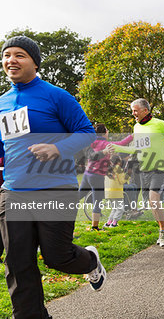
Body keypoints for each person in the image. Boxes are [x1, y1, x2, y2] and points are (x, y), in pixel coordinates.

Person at [0, 35, 105, 319]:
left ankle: (91, 259)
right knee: (18, 261)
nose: (12, 60)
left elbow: (86, 133)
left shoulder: (56, 96)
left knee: (57, 257)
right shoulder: (3, 102)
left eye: (20, 55)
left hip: (55, 188)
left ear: (35, 62)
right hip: (15, 190)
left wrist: (57, 148)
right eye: (7, 55)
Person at [112, 98, 164, 247]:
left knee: (153, 199)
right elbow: (135, 149)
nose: (133, 113)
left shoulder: (160, 124)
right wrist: (117, 147)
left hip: (159, 168)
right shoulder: (136, 127)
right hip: (143, 170)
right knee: (152, 204)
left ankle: (163, 231)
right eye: (132, 110)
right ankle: (163, 227)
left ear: (145, 110)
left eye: (135, 110)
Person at [78, 123, 133, 230]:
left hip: (87, 174)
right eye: (107, 130)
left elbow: (91, 155)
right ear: (105, 132)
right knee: (97, 201)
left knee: (78, 195)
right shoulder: (107, 144)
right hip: (97, 176)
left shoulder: (91, 142)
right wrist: (132, 136)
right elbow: (122, 143)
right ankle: (95, 227)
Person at [103, 155, 127, 228]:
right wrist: (128, 175)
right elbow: (122, 181)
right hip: (116, 193)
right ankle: (114, 223)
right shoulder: (118, 169)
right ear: (118, 162)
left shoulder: (108, 169)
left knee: (114, 208)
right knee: (120, 209)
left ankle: (108, 223)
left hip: (108, 193)